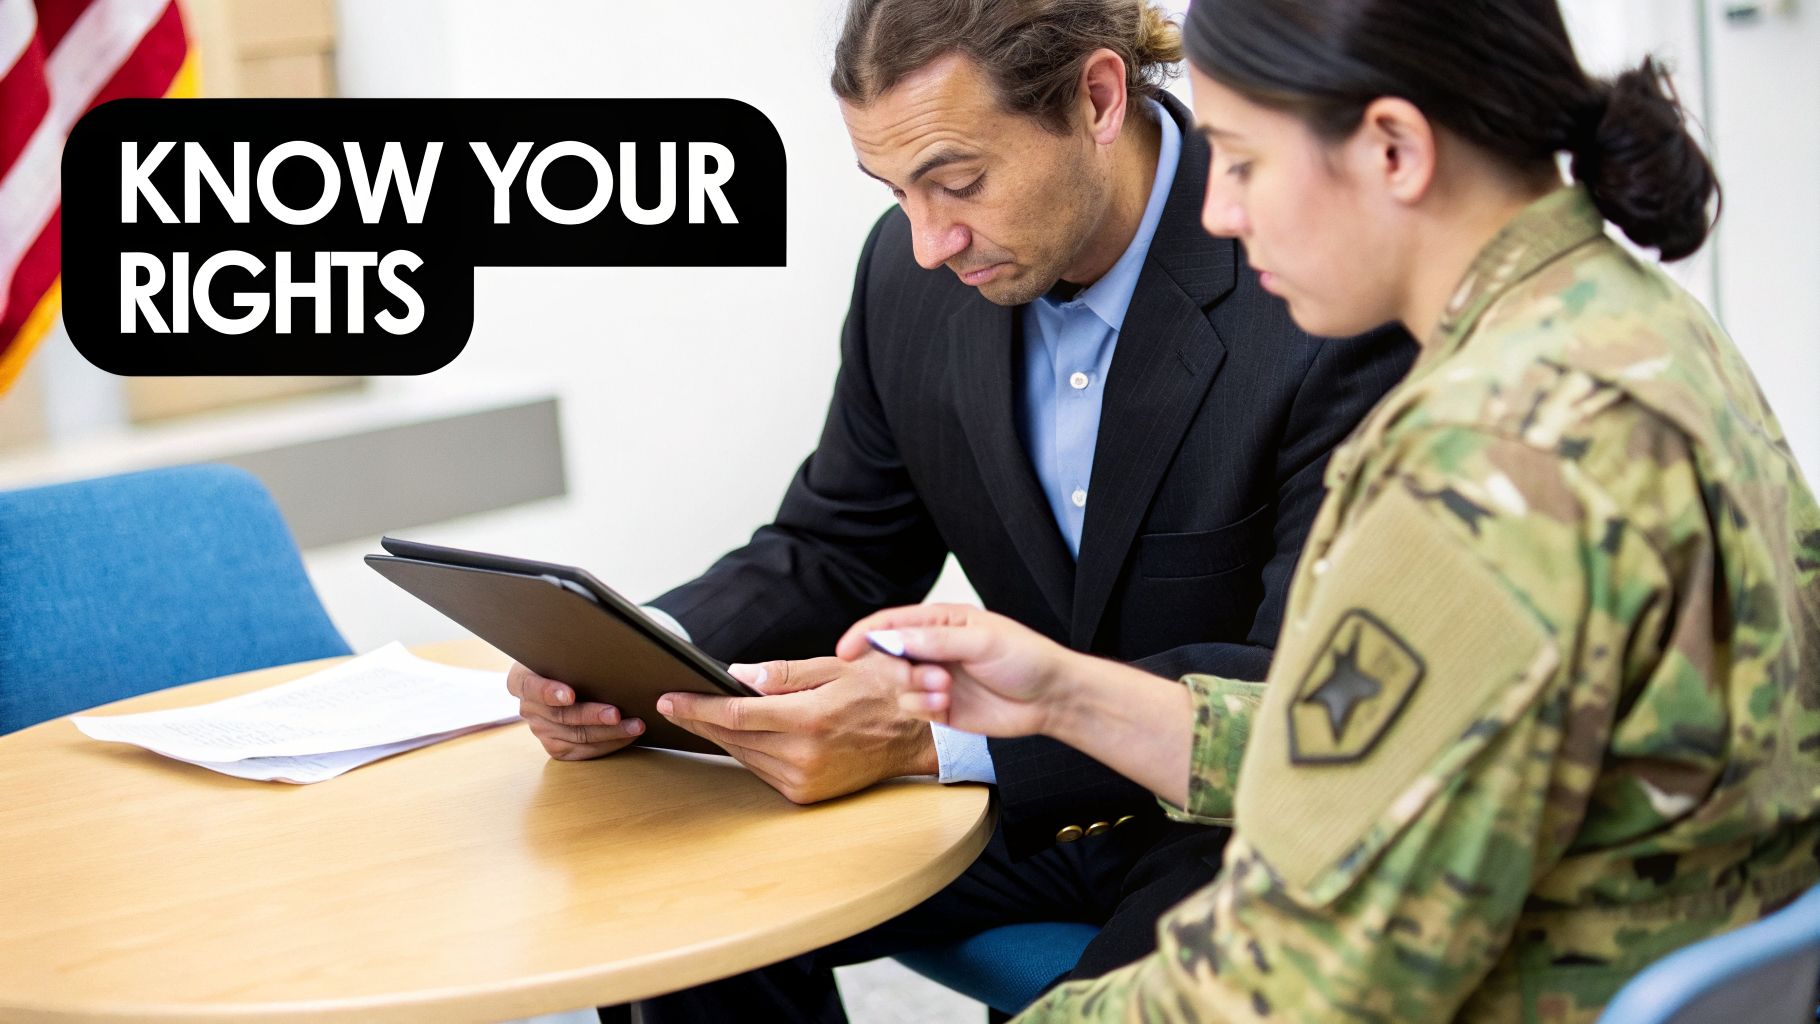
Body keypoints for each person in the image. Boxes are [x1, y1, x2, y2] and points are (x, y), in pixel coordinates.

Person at [838, 0, 1820, 1019]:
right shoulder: (1632, 327)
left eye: (1243, 161)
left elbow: (1294, 989)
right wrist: (1067, 698)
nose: (1215, 210)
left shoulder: (1482, 463)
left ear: (1392, 148)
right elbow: (1406, 742)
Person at [506, 0, 1412, 1018]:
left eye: (957, 181)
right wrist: (634, 654)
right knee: (671, 904)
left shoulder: (1312, 280)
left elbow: (1300, 682)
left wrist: (930, 740)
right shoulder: (910, 273)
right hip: (995, 806)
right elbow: (839, 546)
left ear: (1097, 98)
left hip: (1223, 824)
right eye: (894, 190)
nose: (929, 239)